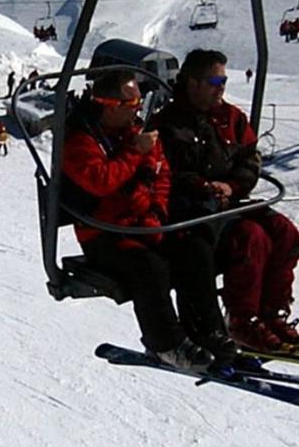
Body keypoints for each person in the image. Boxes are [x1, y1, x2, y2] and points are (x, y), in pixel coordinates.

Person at [62, 68, 220, 370]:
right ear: (108, 105)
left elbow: (160, 174)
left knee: (195, 247)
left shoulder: (135, 132)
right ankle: (166, 344)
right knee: (149, 266)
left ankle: (208, 330)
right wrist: (134, 152)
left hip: (141, 224)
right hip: (104, 233)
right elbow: (101, 181)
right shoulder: (81, 141)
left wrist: (157, 211)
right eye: (130, 104)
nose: (137, 110)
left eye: (138, 103)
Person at [153, 49, 299, 353]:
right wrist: (205, 187)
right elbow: (166, 171)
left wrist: (233, 185)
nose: (220, 88)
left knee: (283, 231)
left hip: (229, 202)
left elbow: (250, 158)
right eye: (214, 80)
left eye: (223, 80)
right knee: (250, 238)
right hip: (193, 212)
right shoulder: (170, 123)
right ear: (192, 82)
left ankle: (272, 313)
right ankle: (243, 319)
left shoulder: (231, 118)